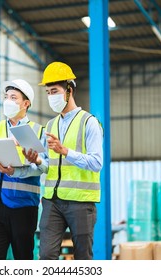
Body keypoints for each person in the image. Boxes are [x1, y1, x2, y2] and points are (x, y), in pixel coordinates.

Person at [25, 62, 103, 260]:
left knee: (82, 258)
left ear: (69, 90)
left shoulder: (89, 122)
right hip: (53, 201)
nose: (51, 96)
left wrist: (65, 151)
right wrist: (37, 161)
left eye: (55, 91)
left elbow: (96, 162)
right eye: (48, 92)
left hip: (81, 202)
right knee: (46, 255)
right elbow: (49, 165)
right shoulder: (50, 125)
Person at [0, 79, 48, 260]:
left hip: (22, 207)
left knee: (23, 258)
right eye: (6, 96)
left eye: (13, 97)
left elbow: (45, 166)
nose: (7, 101)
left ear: (26, 103)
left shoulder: (38, 132)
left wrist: (35, 161)